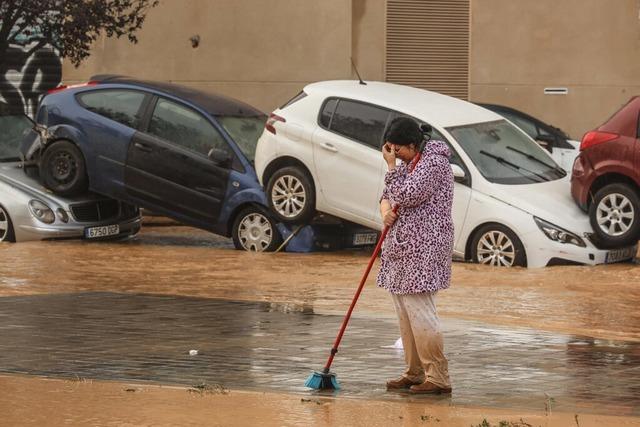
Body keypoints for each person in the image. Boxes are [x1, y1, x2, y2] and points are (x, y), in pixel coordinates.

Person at [377, 116, 454, 394]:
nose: (396, 156)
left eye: (398, 150)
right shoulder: (412, 163)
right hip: (401, 249)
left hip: (425, 248)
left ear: (412, 144)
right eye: (391, 151)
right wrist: (385, 210)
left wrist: (390, 166)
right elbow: (388, 193)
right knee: (404, 312)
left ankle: (438, 377)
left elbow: (406, 195)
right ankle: (414, 371)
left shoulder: (434, 163)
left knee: (421, 311)